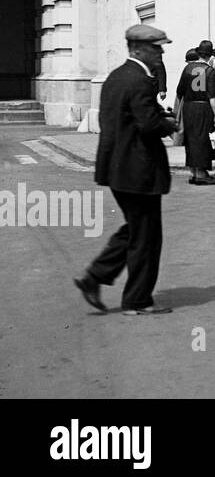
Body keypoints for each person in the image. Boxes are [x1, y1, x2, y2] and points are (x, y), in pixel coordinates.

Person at [74, 24, 180, 315]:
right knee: (146, 236)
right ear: (136, 49)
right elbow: (147, 124)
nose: (160, 53)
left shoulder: (116, 77)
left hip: (118, 167)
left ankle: (94, 278)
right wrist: (167, 124)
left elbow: (127, 118)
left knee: (135, 228)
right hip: (139, 169)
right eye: (155, 48)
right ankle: (137, 301)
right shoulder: (141, 81)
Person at [175, 46, 215, 184]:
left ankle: (194, 172)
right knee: (203, 140)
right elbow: (213, 97)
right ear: (209, 56)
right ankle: (201, 174)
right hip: (204, 107)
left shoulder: (187, 69)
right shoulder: (210, 71)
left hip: (189, 107)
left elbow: (179, 91)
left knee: (191, 139)